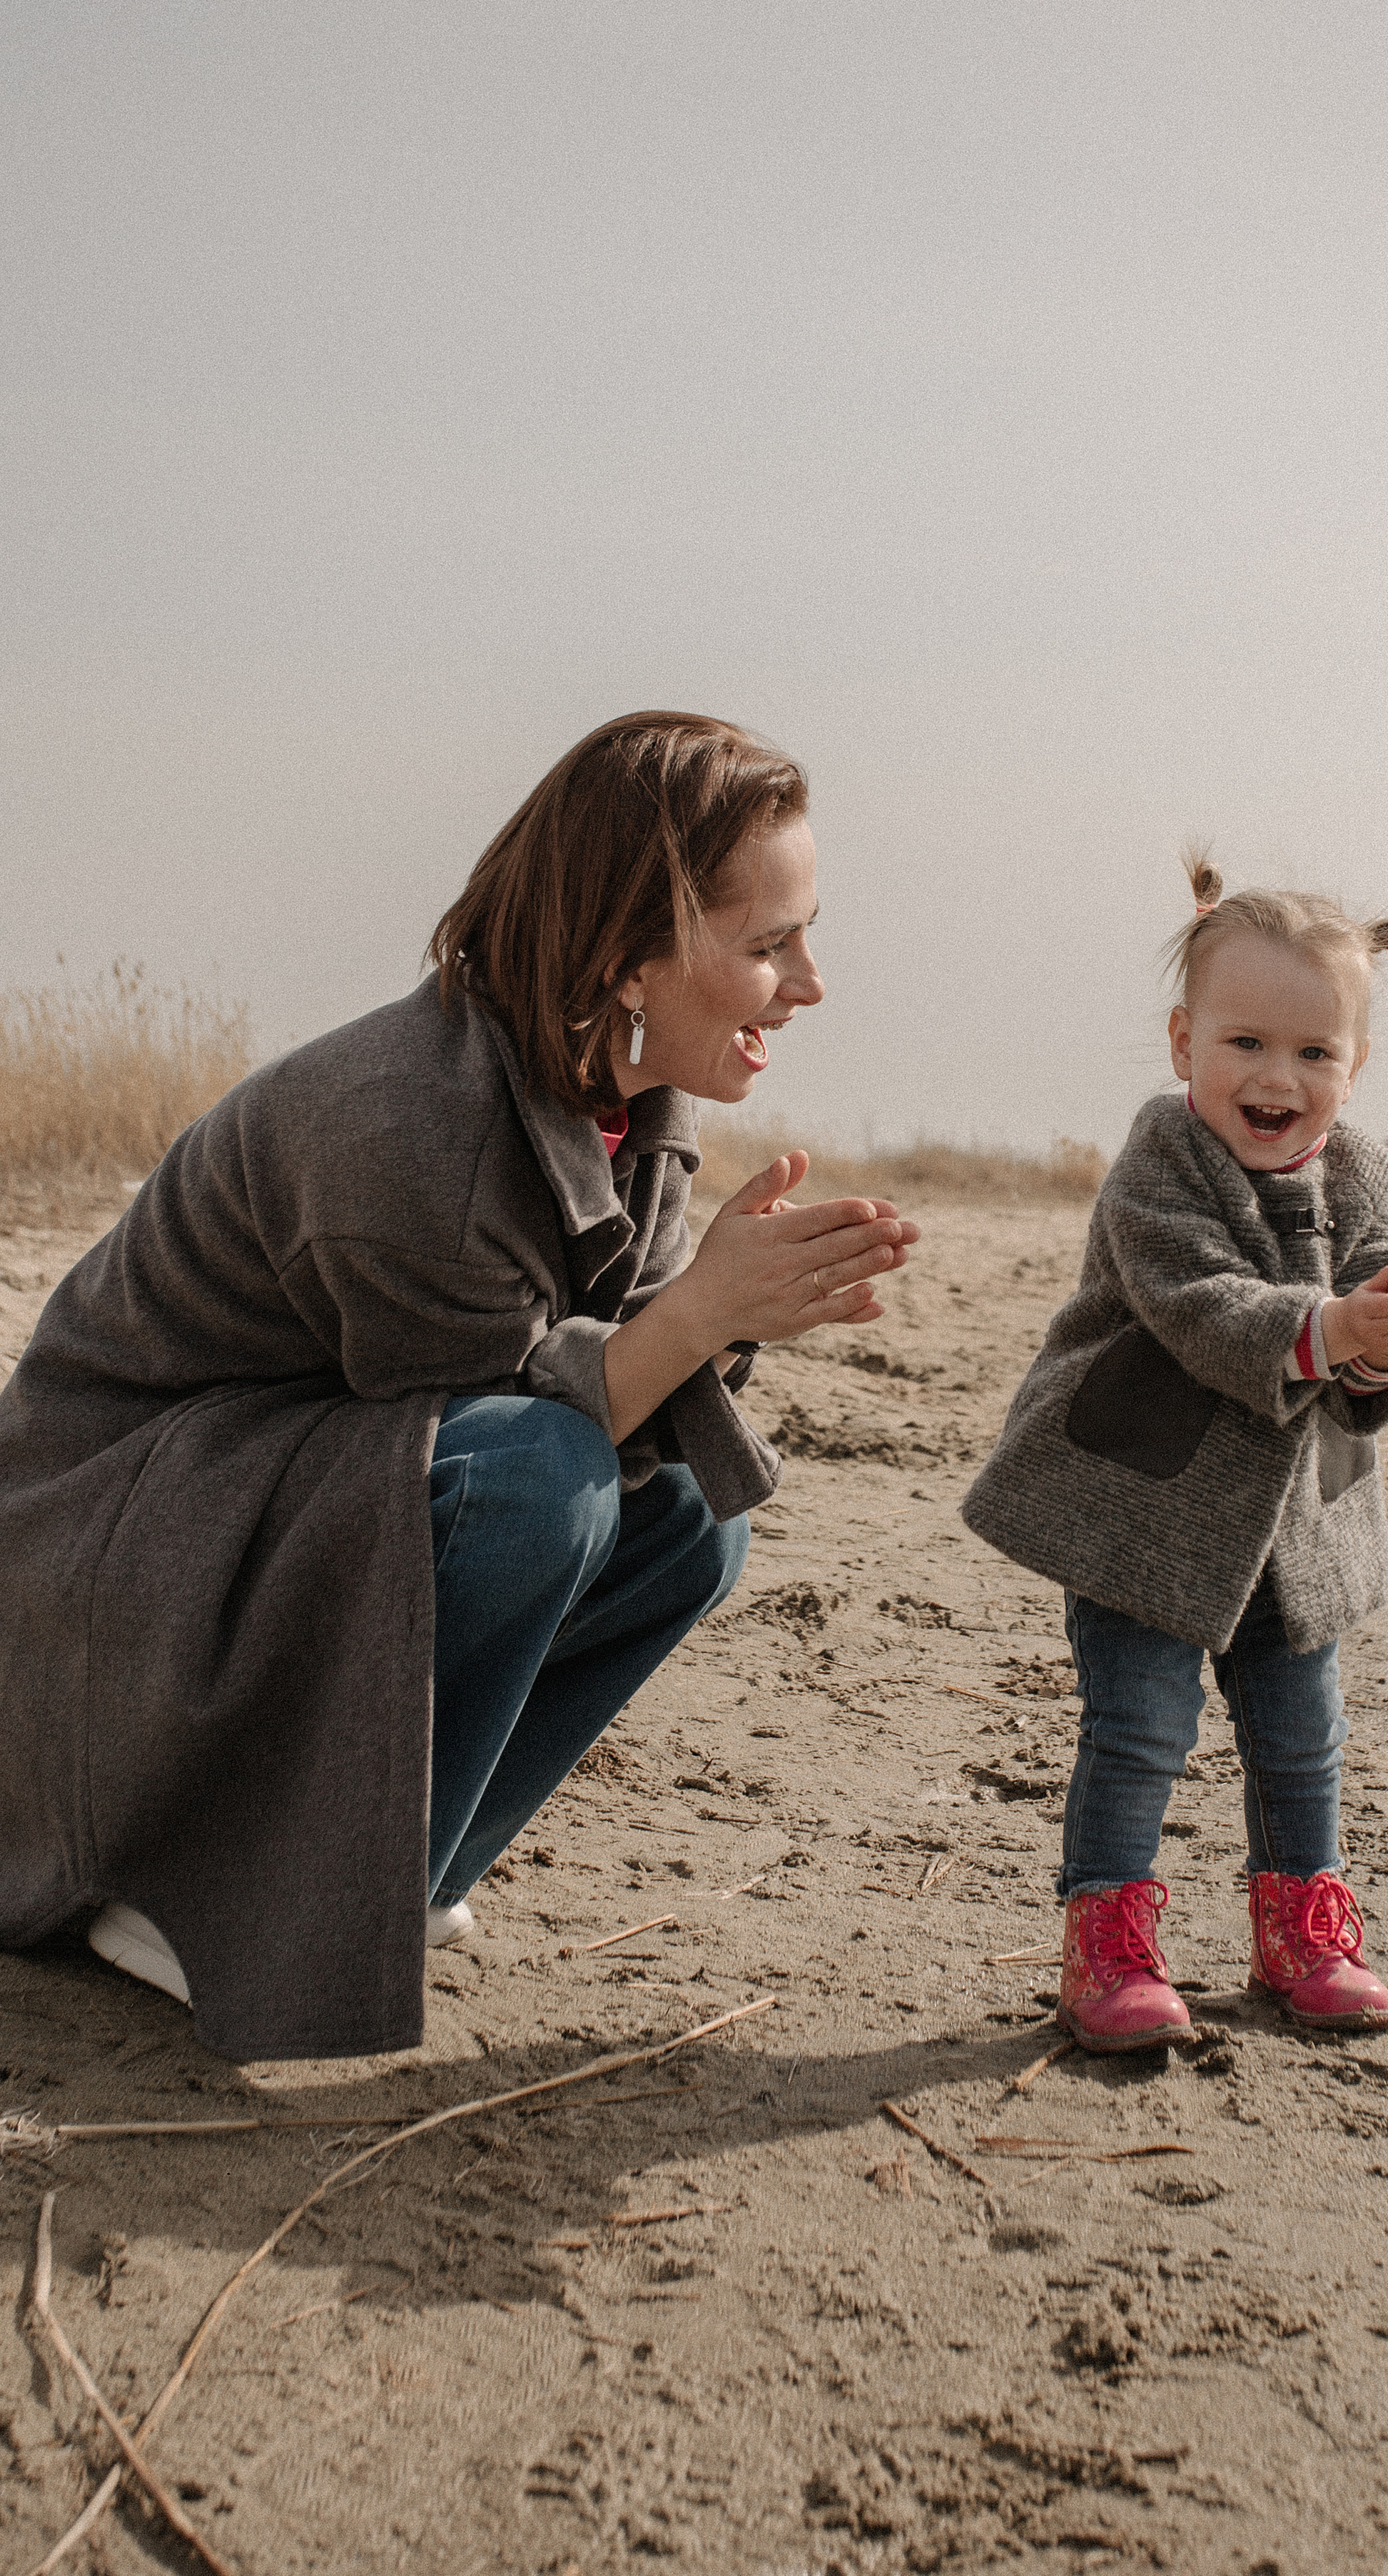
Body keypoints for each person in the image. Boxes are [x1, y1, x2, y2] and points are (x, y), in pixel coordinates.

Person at [0, 712, 916, 2060]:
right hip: (100, 1571)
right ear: (626, 957)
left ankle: (390, 1874)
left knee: (691, 1526)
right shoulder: (401, 1124)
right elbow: (512, 1428)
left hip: (256, 1504)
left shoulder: (635, 1110)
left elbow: (599, 1400)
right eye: (769, 942)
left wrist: (721, 1311)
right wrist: (705, 1309)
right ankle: (191, 1900)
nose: (809, 984)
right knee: (539, 1485)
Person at [962, 855, 1388, 2048]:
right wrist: (1324, 1330)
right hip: (1149, 1502)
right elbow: (1196, 1303)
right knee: (1139, 1725)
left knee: (1303, 1733)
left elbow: (1377, 1281)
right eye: (1245, 1043)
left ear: (1355, 1068)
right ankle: (1110, 1939)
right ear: (1184, 1042)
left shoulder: (1365, 1173)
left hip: (1302, 1518)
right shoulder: (1163, 1159)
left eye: (1314, 1054)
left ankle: (1303, 1921)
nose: (1276, 1078)